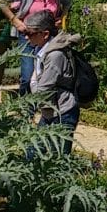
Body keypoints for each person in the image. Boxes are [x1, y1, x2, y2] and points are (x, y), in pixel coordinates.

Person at [1, 0, 70, 92]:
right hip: (28, 36)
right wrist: (14, 20)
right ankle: (25, 109)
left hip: (47, 37)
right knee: (27, 76)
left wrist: (62, 17)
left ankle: (44, 106)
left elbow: (67, 2)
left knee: (47, 73)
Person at [23, 10, 83, 156]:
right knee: (32, 154)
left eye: (30, 33)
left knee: (59, 159)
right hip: (50, 112)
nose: (26, 37)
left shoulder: (55, 55)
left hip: (62, 113)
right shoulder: (42, 50)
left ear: (45, 34)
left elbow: (44, 87)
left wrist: (29, 103)